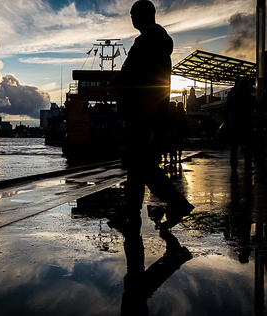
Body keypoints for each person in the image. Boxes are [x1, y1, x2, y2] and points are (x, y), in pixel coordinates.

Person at [111, 0, 194, 224]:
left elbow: (138, 76)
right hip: (148, 111)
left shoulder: (146, 41)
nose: (131, 17)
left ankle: (176, 203)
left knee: (142, 166)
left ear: (142, 15)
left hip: (142, 112)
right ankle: (131, 213)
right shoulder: (158, 41)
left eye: (132, 13)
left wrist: (120, 80)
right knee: (138, 165)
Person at [223, 79, 257, 172]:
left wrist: (226, 122)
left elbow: (226, 109)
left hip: (235, 125)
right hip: (247, 124)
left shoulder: (233, 96)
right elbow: (256, 106)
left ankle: (234, 166)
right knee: (248, 146)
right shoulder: (249, 97)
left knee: (234, 147)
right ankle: (248, 165)